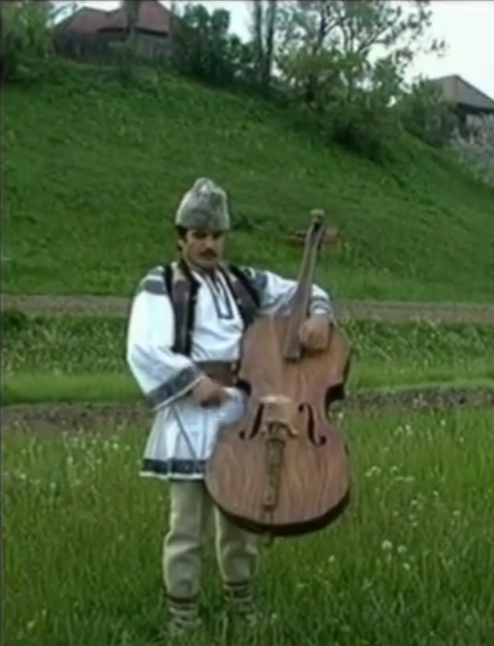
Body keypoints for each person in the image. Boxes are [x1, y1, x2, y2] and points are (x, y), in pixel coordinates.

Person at [125, 178, 336, 637]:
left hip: (241, 414)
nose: (208, 244)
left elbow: (303, 290)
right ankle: (183, 618)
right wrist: (194, 381)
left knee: (240, 517)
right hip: (190, 414)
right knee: (186, 526)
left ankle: (243, 607)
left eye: (215, 235)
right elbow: (143, 347)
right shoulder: (162, 284)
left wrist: (319, 315)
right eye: (198, 235)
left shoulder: (243, 282)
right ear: (182, 237)